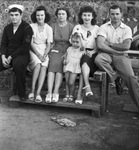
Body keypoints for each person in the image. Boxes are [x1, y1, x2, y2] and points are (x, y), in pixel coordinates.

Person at [95, 5, 139, 110]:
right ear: (109, 15)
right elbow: (100, 45)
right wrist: (114, 50)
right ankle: (116, 78)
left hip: (121, 56)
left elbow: (126, 46)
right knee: (99, 60)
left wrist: (109, 44)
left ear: (121, 15)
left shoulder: (126, 29)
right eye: (113, 14)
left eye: (117, 14)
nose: (115, 16)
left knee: (131, 78)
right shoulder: (104, 27)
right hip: (107, 54)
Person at [0, 4, 33, 101]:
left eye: (16, 15)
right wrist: (3, 57)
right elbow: (3, 44)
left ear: (21, 15)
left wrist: (11, 57)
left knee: (18, 66)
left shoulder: (27, 28)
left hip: (21, 54)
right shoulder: (7, 28)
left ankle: (21, 93)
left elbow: (25, 46)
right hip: (7, 55)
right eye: (12, 15)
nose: (14, 17)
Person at [72, 5, 99, 104]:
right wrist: (80, 49)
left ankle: (80, 93)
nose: (86, 18)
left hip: (92, 53)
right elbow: (74, 42)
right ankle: (85, 89)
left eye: (89, 15)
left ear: (92, 17)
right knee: (84, 60)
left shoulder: (96, 28)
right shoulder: (77, 28)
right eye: (84, 15)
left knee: (85, 61)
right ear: (81, 16)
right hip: (78, 51)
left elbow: (99, 45)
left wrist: (92, 52)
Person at [45, 7, 74, 103]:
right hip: (55, 49)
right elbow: (49, 40)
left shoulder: (71, 27)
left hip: (67, 50)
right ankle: (49, 92)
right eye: (59, 14)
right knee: (53, 62)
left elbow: (73, 42)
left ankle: (56, 91)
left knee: (61, 63)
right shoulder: (52, 26)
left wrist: (68, 53)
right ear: (57, 16)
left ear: (67, 16)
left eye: (63, 14)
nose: (61, 16)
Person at [28, 6, 53, 103]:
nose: (40, 17)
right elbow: (30, 43)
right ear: (35, 16)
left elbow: (49, 44)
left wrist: (45, 55)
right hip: (33, 50)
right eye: (38, 15)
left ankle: (38, 93)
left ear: (45, 16)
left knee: (44, 66)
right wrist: (38, 54)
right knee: (38, 64)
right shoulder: (31, 26)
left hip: (44, 51)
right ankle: (32, 91)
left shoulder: (48, 28)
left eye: (42, 15)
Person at [63, 32, 85, 102]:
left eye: (77, 42)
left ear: (80, 42)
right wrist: (65, 60)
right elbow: (66, 56)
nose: (75, 43)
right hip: (68, 65)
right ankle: (67, 95)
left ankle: (71, 94)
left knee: (71, 82)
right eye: (73, 42)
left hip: (75, 67)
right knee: (66, 81)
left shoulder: (82, 50)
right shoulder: (69, 48)